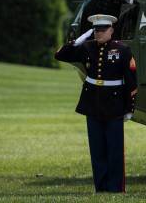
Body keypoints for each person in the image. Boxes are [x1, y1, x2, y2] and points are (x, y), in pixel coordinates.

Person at [55, 14, 137, 193]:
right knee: (97, 149)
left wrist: (130, 107)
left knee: (114, 149)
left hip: (114, 104)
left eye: (102, 30)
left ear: (111, 30)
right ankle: (101, 186)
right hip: (92, 102)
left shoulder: (122, 49)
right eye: (96, 30)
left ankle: (115, 187)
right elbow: (60, 55)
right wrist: (76, 41)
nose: (99, 34)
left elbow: (131, 80)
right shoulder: (87, 47)